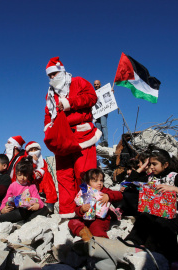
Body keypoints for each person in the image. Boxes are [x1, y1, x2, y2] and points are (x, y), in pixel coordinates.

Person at [44, 57, 101, 218]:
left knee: (84, 173)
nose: (52, 78)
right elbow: (48, 114)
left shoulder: (79, 82)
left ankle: (89, 212)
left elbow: (92, 97)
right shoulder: (50, 94)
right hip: (61, 138)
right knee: (64, 174)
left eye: (54, 74)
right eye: (50, 76)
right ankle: (68, 213)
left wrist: (69, 102)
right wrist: (48, 129)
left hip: (83, 135)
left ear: (61, 71)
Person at [124, 148, 178, 267]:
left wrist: (175, 189)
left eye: (154, 164)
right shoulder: (151, 177)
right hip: (153, 211)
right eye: (149, 164)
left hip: (173, 213)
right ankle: (132, 243)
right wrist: (143, 166)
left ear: (165, 164)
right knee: (143, 219)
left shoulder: (174, 177)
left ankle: (177, 259)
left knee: (163, 227)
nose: (151, 167)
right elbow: (128, 183)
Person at [0, 157, 49, 226]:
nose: (22, 178)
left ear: (28, 175)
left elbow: (38, 199)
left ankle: (25, 222)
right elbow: (6, 200)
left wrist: (38, 205)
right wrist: (2, 210)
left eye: (25, 175)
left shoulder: (32, 186)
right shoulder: (13, 186)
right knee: (19, 212)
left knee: (45, 209)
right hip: (17, 211)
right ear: (16, 174)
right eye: (20, 175)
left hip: (29, 210)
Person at [68, 168, 123, 241]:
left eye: (101, 180)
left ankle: (101, 241)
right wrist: (81, 209)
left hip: (100, 220)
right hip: (85, 220)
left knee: (96, 226)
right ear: (88, 183)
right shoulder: (84, 192)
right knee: (72, 222)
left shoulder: (104, 191)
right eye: (95, 181)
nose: (99, 183)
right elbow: (77, 209)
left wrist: (108, 196)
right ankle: (85, 235)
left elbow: (119, 195)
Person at [24, 141, 58, 213]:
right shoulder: (25, 160)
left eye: (35, 149)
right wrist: (33, 161)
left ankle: (50, 202)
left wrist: (39, 172)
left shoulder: (42, 161)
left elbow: (44, 168)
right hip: (31, 181)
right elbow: (27, 170)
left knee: (47, 175)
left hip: (41, 181)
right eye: (31, 150)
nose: (34, 152)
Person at [93, 80, 108, 147]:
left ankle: (105, 141)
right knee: (98, 128)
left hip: (103, 111)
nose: (96, 85)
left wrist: (111, 92)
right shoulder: (92, 93)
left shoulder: (104, 90)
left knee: (103, 125)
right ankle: (102, 142)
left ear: (100, 84)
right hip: (96, 113)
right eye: (95, 84)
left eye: (97, 84)